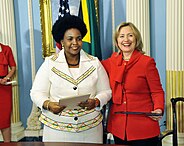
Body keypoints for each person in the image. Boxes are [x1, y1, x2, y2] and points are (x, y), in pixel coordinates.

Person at [30, 15, 111, 143]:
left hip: (90, 130)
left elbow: (106, 91)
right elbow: (36, 93)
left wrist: (96, 101)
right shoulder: (50, 63)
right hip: (56, 130)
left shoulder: (94, 63)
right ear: (62, 41)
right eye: (70, 39)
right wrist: (48, 104)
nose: (75, 43)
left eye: (78, 39)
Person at [102, 22, 165, 146]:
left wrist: (158, 108)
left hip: (144, 127)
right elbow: (92, 67)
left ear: (136, 39)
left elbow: (157, 91)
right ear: (117, 41)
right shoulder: (110, 62)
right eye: (121, 36)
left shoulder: (147, 62)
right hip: (119, 127)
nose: (126, 39)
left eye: (130, 35)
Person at [0, 43, 16, 142]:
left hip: (5, 88)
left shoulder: (6, 49)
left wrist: (7, 77)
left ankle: (7, 144)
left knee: (5, 118)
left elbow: (13, 67)